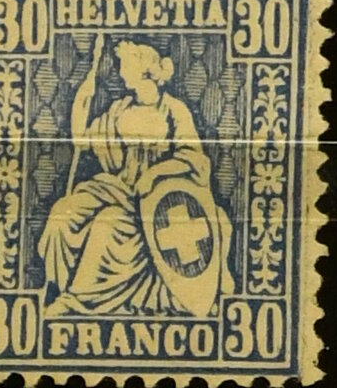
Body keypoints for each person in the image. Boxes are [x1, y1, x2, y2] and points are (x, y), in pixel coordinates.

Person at [37, 38, 233, 324]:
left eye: (125, 65)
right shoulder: (119, 109)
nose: (119, 71)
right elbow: (82, 140)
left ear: (143, 70)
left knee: (109, 224)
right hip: (119, 190)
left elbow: (195, 160)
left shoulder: (174, 110)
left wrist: (155, 174)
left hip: (158, 202)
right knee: (61, 215)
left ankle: (77, 300)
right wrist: (83, 96)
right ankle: (59, 286)